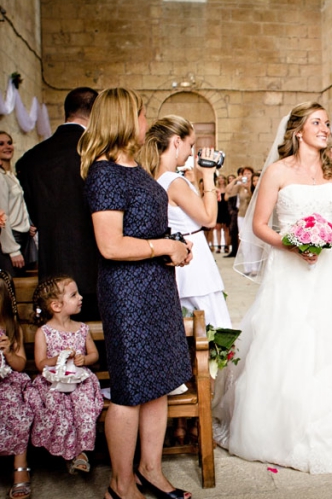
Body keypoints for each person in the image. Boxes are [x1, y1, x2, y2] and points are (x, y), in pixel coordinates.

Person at [214, 102, 332, 473]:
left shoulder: (331, 170)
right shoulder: (277, 171)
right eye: (317, 122)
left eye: (326, 123)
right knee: (288, 341)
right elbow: (259, 225)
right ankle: (278, 428)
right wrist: (292, 244)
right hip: (289, 270)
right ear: (297, 131)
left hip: (330, 270)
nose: (325, 128)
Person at [80, 87, 193, 499]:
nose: (147, 121)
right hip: (128, 294)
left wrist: (175, 245)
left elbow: (143, 229)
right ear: (126, 119)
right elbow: (110, 245)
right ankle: (120, 484)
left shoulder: (136, 169)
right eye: (142, 114)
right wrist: (163, 246)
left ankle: (151, 470)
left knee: (158, 382)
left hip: (156, 286)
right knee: (130, 389)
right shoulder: (105, 172)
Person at [138, 115, 232, 329]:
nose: (191, 152)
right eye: (190, 145)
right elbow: (209, 219)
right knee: (207, 325)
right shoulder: (174, 181)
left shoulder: (155, 176)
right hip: (192, 259)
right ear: (176, 142)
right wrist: (208, 174)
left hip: (179, 249)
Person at [16, 87, 101, 320]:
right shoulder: (97, 153)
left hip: (52, 267)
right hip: (95, 267)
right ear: (95, 114)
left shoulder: (31, 159)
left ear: (67, 112)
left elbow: (31, 213)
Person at [26, 275, 103, 475]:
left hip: (79, 379)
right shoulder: (44, 332)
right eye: (73, 295)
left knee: (83, 404)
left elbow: (94, 354)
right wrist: (57, 358)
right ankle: (66, 452)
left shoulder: (82, 329)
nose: (80, 297)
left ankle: (82, 453)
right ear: (56, 306)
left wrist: (84, 360)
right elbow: (40, 363)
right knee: (56, 405)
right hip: (53, 380)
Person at [0, 271, 33, 499]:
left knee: (16, 408)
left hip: (9, 382)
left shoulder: (12, 327)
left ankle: (20, 469)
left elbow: (20, 365)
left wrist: (8, 352)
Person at [0, 131, 36, 277]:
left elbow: (17, 206)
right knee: (10, 289)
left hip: (22, 237)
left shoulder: (11, 176)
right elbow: (2, 215)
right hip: (9, 240)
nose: (7, 146)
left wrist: (27, 225)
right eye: (1, 144)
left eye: (9, 142)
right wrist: (13, 250)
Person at [214, 175, 231, 253]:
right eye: (219, 178)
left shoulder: (227, 188)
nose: (221, 180)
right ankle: (219, 246)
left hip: (226, 209)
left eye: (222, 178)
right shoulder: (215, 188)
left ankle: (226, 246)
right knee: (218, 228)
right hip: (218, 209)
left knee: (226, 228)